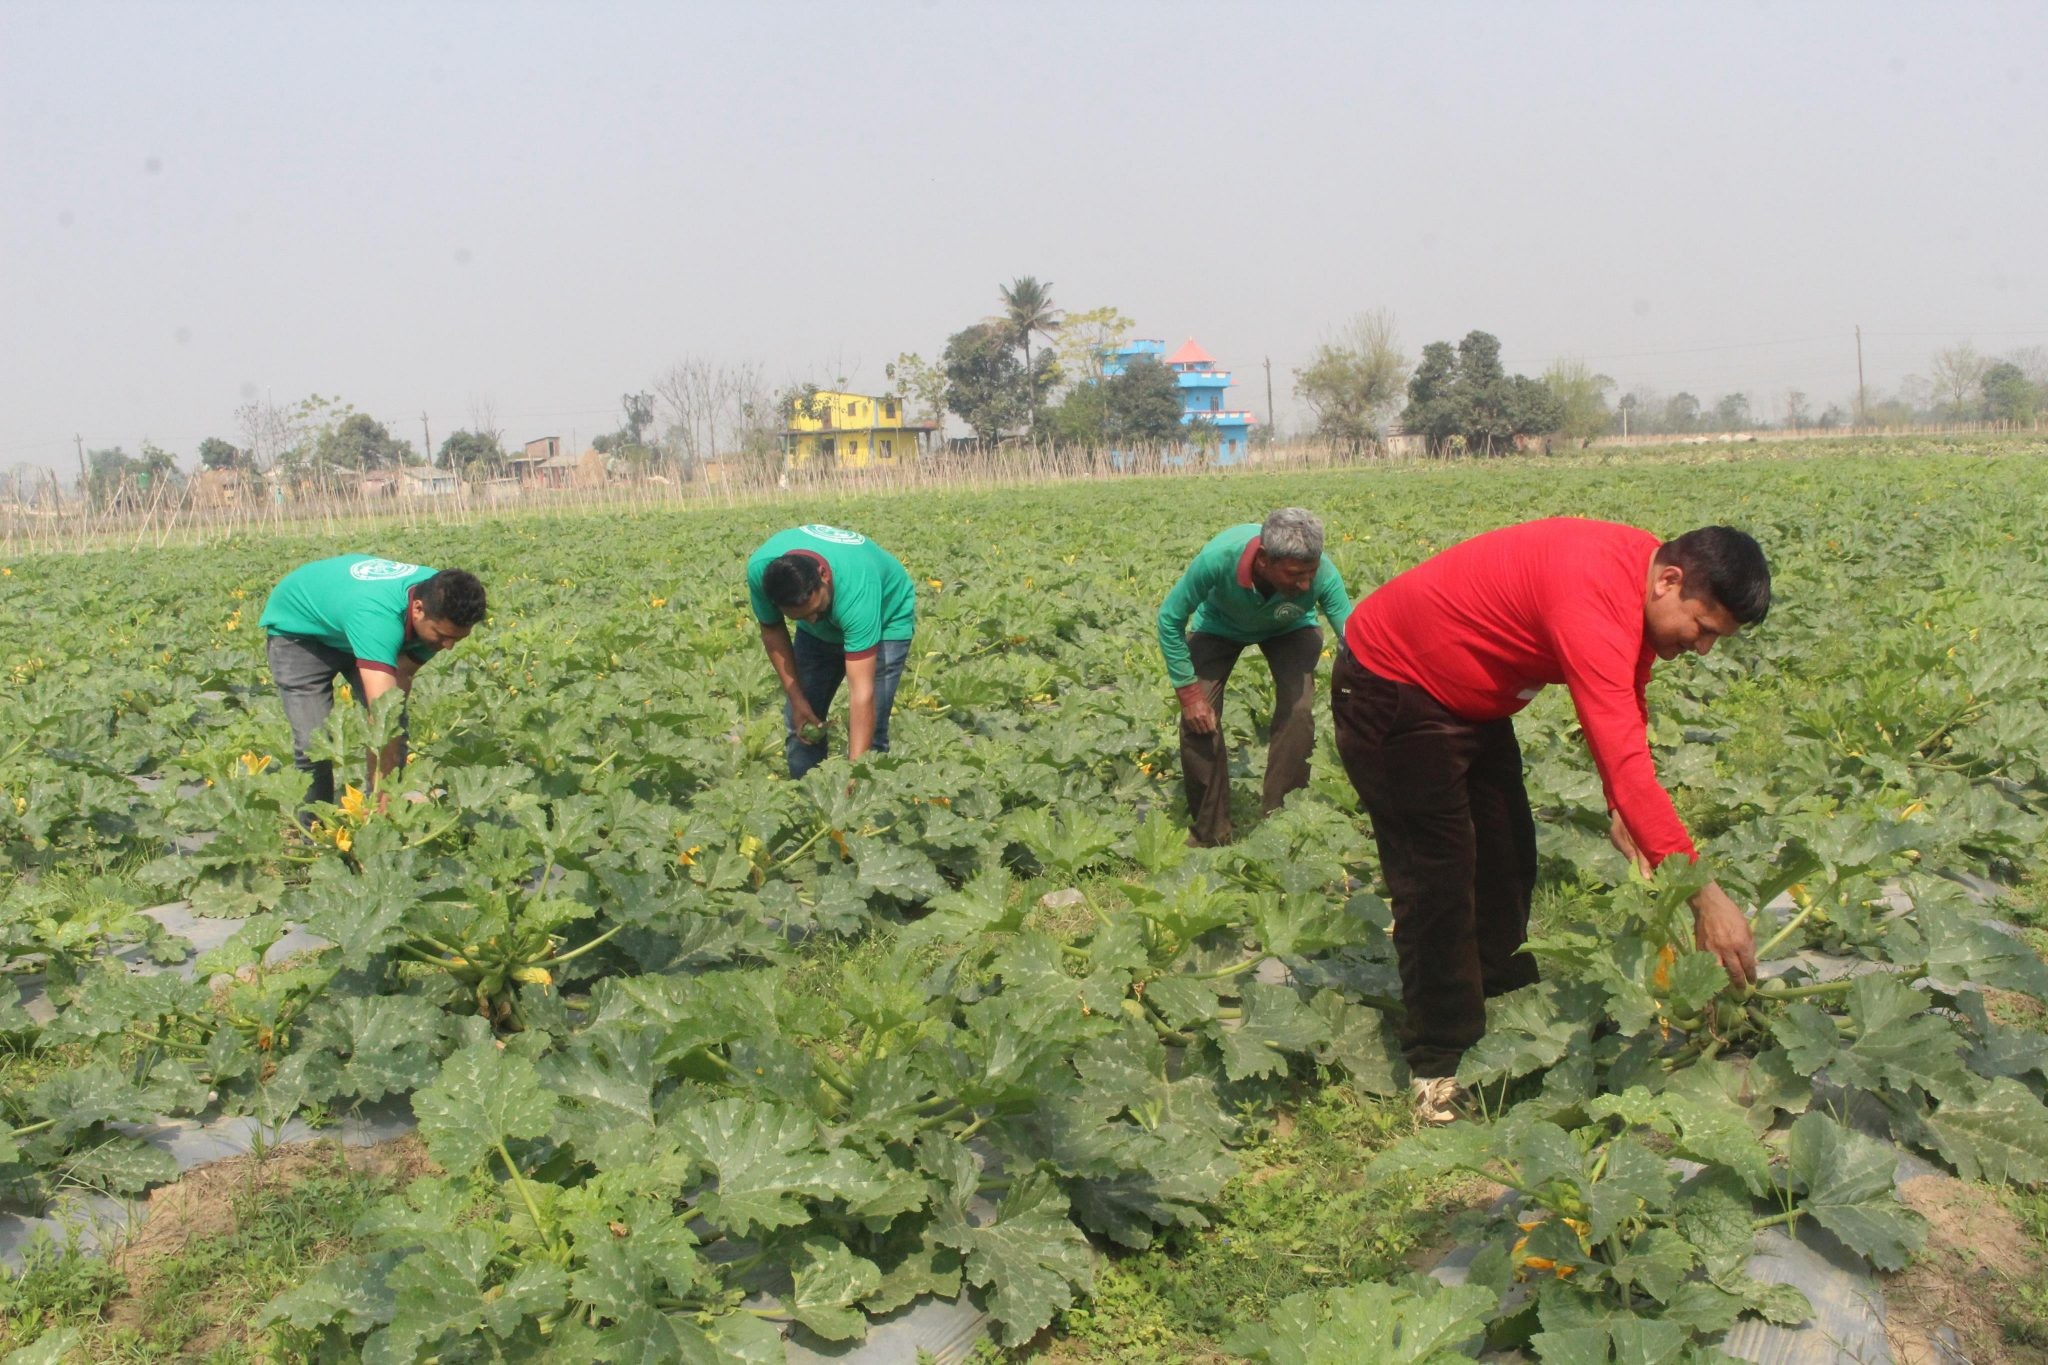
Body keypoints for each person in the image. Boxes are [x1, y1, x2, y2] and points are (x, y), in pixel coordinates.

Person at [1330, 519, 1769, 1123]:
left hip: (1470, 701)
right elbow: (1625, 756)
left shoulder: (1639, 578)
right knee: (1438, 882)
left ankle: (1509, 1023)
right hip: (1392, 686)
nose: (1702, 648)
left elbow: (1626, 692)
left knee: (1507, 860)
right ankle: (1439, 1063)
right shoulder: (1593, 594)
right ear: (1670, 581)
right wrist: (1706, 899)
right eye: (1704, 628)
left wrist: (1622, 806)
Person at [1158, 508, 1352, 846]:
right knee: (1198, 719)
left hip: (1290, 626)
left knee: (1299, 712)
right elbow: (1169, 619)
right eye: (1295, 574)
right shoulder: (1218, 559)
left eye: (1311, 571)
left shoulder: (1321, 573)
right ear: (1263, 560)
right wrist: (1189, 697)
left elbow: (1354, 636)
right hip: (1220, 626)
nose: (1306, 583)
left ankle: (1283, 824)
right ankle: (1211, 832)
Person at [258, 555, 486, 807]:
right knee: (314, 743)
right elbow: (382, 720)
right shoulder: (379, 618)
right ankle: (315, 833)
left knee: (396, 725)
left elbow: (401, 678)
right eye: (443, 636)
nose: (448, 646)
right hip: (300, 630)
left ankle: (384, 814)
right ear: (417, 609)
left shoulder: (443, 601)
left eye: (458, 638)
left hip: (353, 618)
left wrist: (383, 791)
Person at [746, 524, 916, 778]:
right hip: (833, 622)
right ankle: (810, 801)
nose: (814, 621)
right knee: (801, 725)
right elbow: (772, 630)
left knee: (872, 735)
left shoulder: (858, 591)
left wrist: (854, 771)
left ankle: (866, 807)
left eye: (817, 610)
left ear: (824, 575)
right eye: (802, 617)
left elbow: (862, 693)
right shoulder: (761, 571)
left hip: (886, 619)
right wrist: (797, 699)